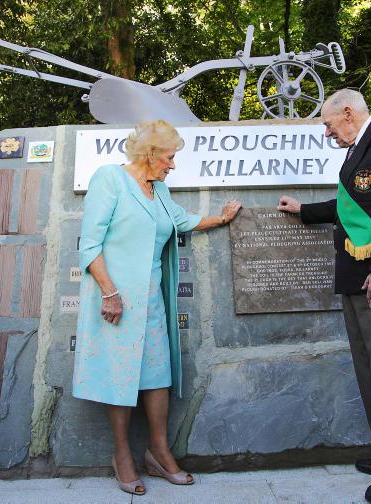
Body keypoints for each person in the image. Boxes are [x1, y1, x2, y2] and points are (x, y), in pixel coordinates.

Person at [73, 119, 242, 496]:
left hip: (151, 299)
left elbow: (183, 221)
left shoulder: (160, 190)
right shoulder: (110, 179)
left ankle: (158, 451)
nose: (172, 164)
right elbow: (90, 243)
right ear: (150, 154)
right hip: (115, 299)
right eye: (169, 157)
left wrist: (221, 218)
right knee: (119, 375)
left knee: (156, 374)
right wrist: (109, 292)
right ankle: (122, 455)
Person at [278, 89, 371, 503]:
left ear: (347, 113)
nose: (327, 133)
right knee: (370, 373)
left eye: (328, 125)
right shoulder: (357, 150)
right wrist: (305, 210)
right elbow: (352, 207)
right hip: (356, 278)